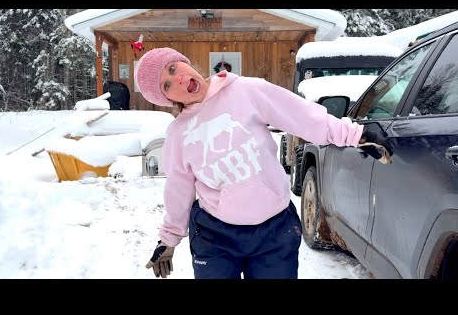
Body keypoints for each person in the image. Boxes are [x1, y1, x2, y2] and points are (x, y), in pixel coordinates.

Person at [134, 47, 393, 279]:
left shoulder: (246, 90)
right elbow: (179, 189)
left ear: (184, 62)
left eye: (172, 68)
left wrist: (353, 135)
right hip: (215, 236)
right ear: (168, 100)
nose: (177, 79)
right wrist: (168, 239)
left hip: (274, 230)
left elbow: (301, 115)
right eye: (167, 86)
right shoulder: (179, 134)